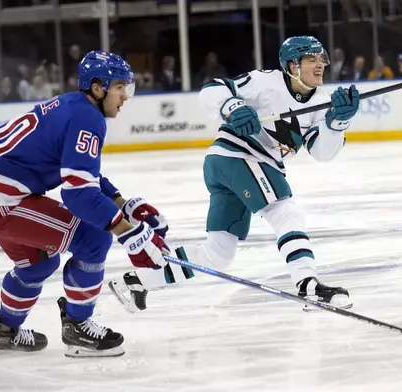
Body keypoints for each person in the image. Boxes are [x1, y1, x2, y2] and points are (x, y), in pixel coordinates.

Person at [110, 36, 360, 313]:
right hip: (236, 156)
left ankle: (136, 281)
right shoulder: (265, 82)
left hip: (235, 165)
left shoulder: (323, 101)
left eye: (320, 59)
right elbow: (211, 89)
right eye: (310, 60)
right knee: (284, 211)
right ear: (291, 65)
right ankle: (307, 285)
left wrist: (338, 122)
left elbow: (323, 152)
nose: (319, 65)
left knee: (218, 253)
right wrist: (232, 106)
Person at [0, 50, 168, 357]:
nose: (126, 96)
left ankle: (4, 331)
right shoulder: (88, 118)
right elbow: (78, 194)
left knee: (39, 262)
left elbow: (80, 173)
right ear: (98, 87)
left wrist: (122, 202)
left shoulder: (73, 106)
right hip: (0, 199)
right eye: (120, 87)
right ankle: (79, 328)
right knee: (93, 237)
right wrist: (126, 230)